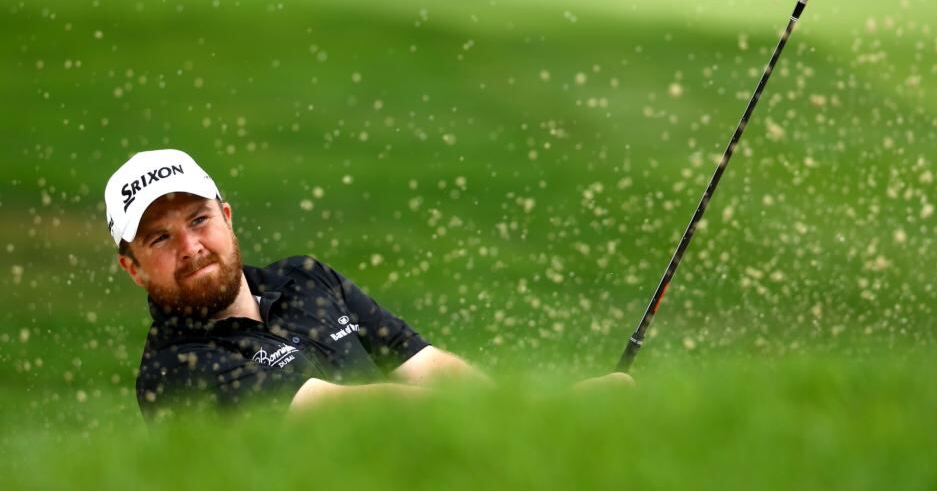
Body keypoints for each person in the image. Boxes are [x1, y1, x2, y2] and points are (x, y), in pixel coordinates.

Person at [105, 149, 632, 422]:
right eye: (160, 238)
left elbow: (424, 366)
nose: (191, 248)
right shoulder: (175, 371)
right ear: (133, 267)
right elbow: (342, 416)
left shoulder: (305, 278)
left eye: (198, 220)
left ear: (226, 215)